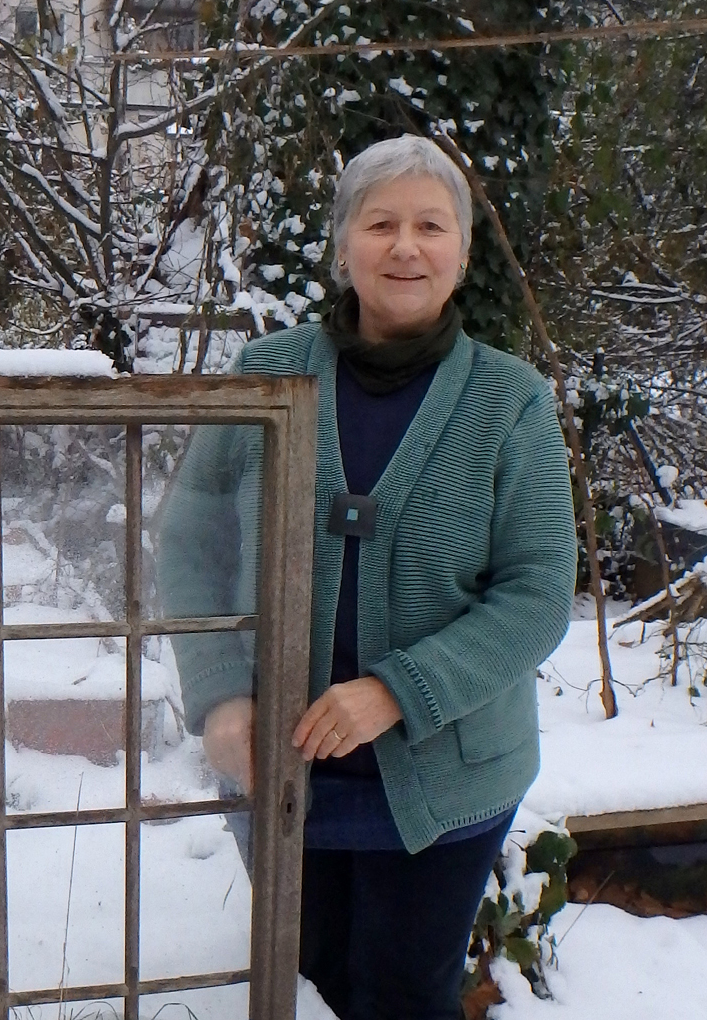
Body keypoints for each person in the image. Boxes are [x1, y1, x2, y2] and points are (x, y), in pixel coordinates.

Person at [155, 134, 576, 1020]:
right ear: (343, 247)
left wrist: (393, 691)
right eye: (380, 223)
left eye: (431, 225)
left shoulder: (512, 401)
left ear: (461, 251)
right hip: (282, 760)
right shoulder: (265, 375)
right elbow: (191, 539)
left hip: (443, 778)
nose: (405, 246)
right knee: (306, 982)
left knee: (400, 995)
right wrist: (222, 694)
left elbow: (537, 595)